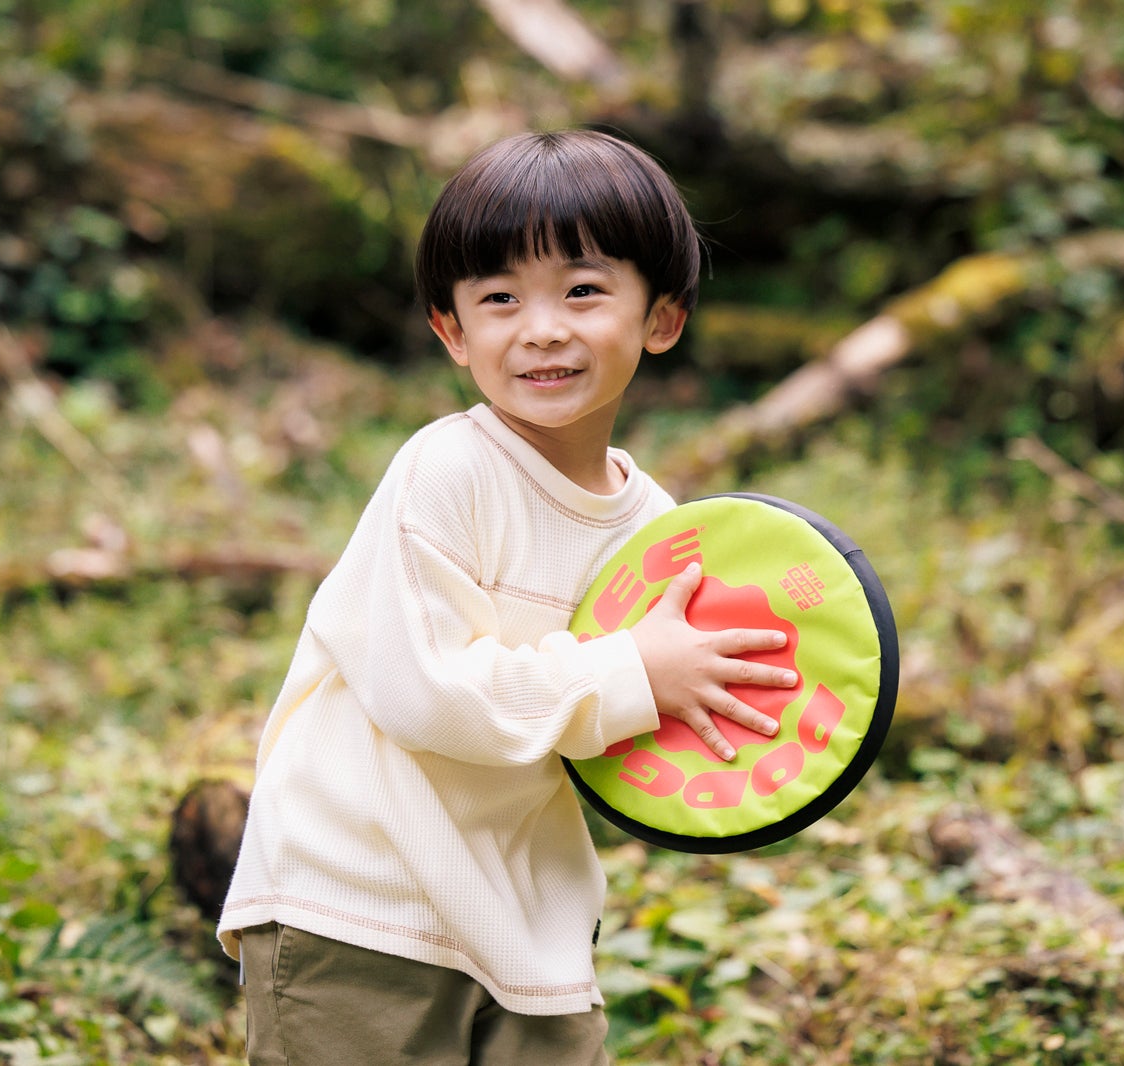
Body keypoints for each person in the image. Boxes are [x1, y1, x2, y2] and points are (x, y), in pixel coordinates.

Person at [218, 129, 798, 1065]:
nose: (542, 328)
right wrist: (630, 671)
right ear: (453, 332)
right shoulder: (447, 470)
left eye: (583, 289)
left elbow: (648, 721)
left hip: (528, 920)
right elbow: (425, 691)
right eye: (499, 298)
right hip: (361, 904)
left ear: (662, 317)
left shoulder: (662, 532)